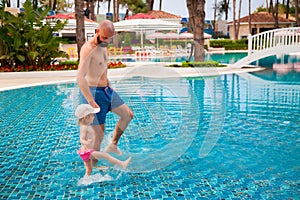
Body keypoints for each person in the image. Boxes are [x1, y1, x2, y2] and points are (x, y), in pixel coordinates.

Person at [76, 19, 134, 166]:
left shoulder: (103, 45)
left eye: (109, 38)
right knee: (98, 134)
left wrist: (108, 84)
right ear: (97, 32)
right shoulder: (88, 49)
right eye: (104, 38)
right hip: (92, 93)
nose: (106, 41)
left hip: (106, 90)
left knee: (127, 115)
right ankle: (93, 166)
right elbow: (80, 77)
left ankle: (113, 144)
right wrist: (89, 100)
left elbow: (101, 69)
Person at [75, 104, 131, 177]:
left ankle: (84, 181)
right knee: (106, 155)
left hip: (85, 153)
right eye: (92, 115)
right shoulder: (84, 127)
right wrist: (86, 142)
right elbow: (81, 139)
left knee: (89, 170)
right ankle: (122, 164)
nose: (94, 117)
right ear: (86, 117)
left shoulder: (86, 125)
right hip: (87, 152)